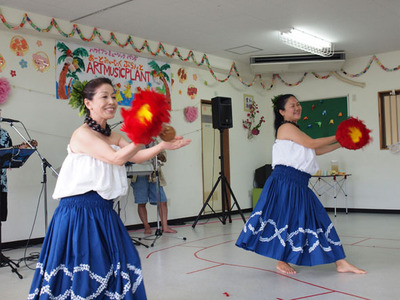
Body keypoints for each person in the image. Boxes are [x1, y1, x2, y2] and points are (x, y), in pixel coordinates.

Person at [27, 77, 190, 299]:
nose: (111, 101)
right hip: (79, 213)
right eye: (104, 96)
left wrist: (162, 145)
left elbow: (137, 155)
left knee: (120, 263)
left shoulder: (113, 135)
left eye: (113, 96)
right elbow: (116, 158)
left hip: (103, 212)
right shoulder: (82, 134)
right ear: (88, 103)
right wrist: (141, 136)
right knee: (85, 274)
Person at [236, 94, 366, 275]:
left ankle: (340, 262)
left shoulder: (295, 130)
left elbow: (316, 150)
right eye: (292, 105)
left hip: (297, 183)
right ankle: (289, 262)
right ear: (281, 112)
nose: (297, 107)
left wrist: (342, 143)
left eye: (298, 104)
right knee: (292, 220)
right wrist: (339, 135)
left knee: (312, 219)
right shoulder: (286, 127)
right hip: (286, 181)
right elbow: (311, 143)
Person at [131, 140, 176, 234]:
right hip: (139, 174)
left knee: (162, 201)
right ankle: (146, 227)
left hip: (154, 174)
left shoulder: (156, 142)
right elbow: (131, 157)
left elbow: (164, 159)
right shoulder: (135, 141)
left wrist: (159, 154)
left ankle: (165, 226)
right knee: (141, 202)